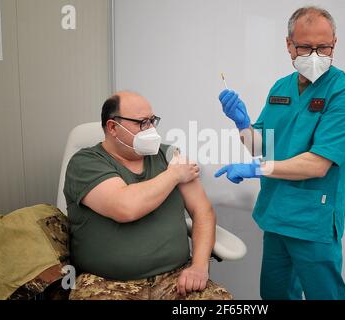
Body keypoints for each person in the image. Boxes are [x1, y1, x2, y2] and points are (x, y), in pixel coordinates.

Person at [215, 6, 345, 300]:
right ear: (289, 45)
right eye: (305, 47)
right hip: (276, 214)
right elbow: (260, 146)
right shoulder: (280, 88)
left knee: (325, 295)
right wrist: (242, 123)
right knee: (275, 293)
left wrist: (257, 169)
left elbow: (318, 164)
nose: (315, 55)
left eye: (323, 47)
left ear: (334, 42)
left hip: (313, 221)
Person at [64, 91, 232, 300]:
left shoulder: (169, 156)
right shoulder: (85, 163)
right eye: (142, 123)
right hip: (106, 284)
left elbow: (203, 211)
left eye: (152, 121)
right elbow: (125, 207)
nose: (151, 129)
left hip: (175, 279)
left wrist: (199, 266)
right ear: (113, 127)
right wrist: (174, 175)